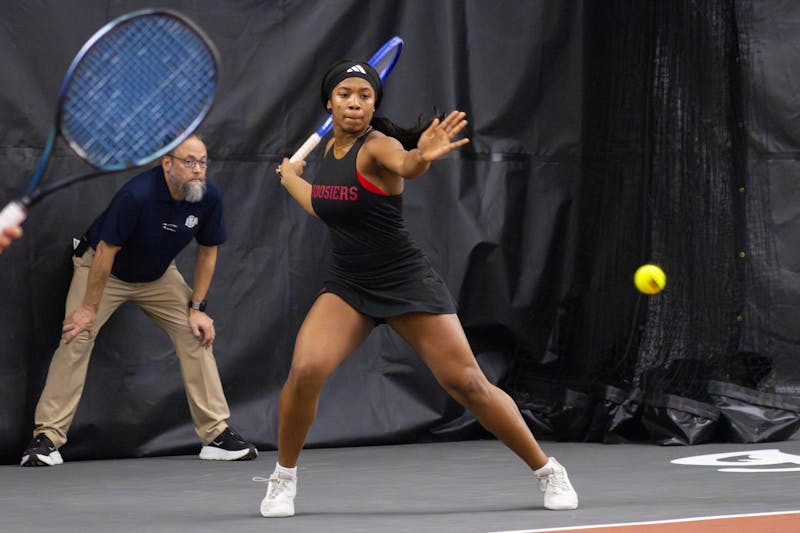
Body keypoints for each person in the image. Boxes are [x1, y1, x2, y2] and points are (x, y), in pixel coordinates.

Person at [258, 61, 578, 517]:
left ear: (374, 104)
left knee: (466, 383)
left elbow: (406, 164)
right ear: (329, 102)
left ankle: (548, 470)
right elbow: (325, 206)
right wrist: (292, 179)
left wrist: (421, 156)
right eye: (346, 94)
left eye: (365, 96)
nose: (355, 102)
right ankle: (283, 479)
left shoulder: (380, 147)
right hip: (349, 283)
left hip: (405, 281)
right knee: (306, 371)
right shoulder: (328, 147)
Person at [21, 134, 257, 466]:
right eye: (189, 162)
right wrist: (88, 309)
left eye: (203, 162)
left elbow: (208, 252)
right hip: (103, 270)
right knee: (77, 335)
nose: (198, 170)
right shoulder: (137, 194)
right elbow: (105, 251)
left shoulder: (208, 197)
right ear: (167, 164)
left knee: (196, 334)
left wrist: (197, 308)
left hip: (158, 276)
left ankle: (216, 434)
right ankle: (46, 438)